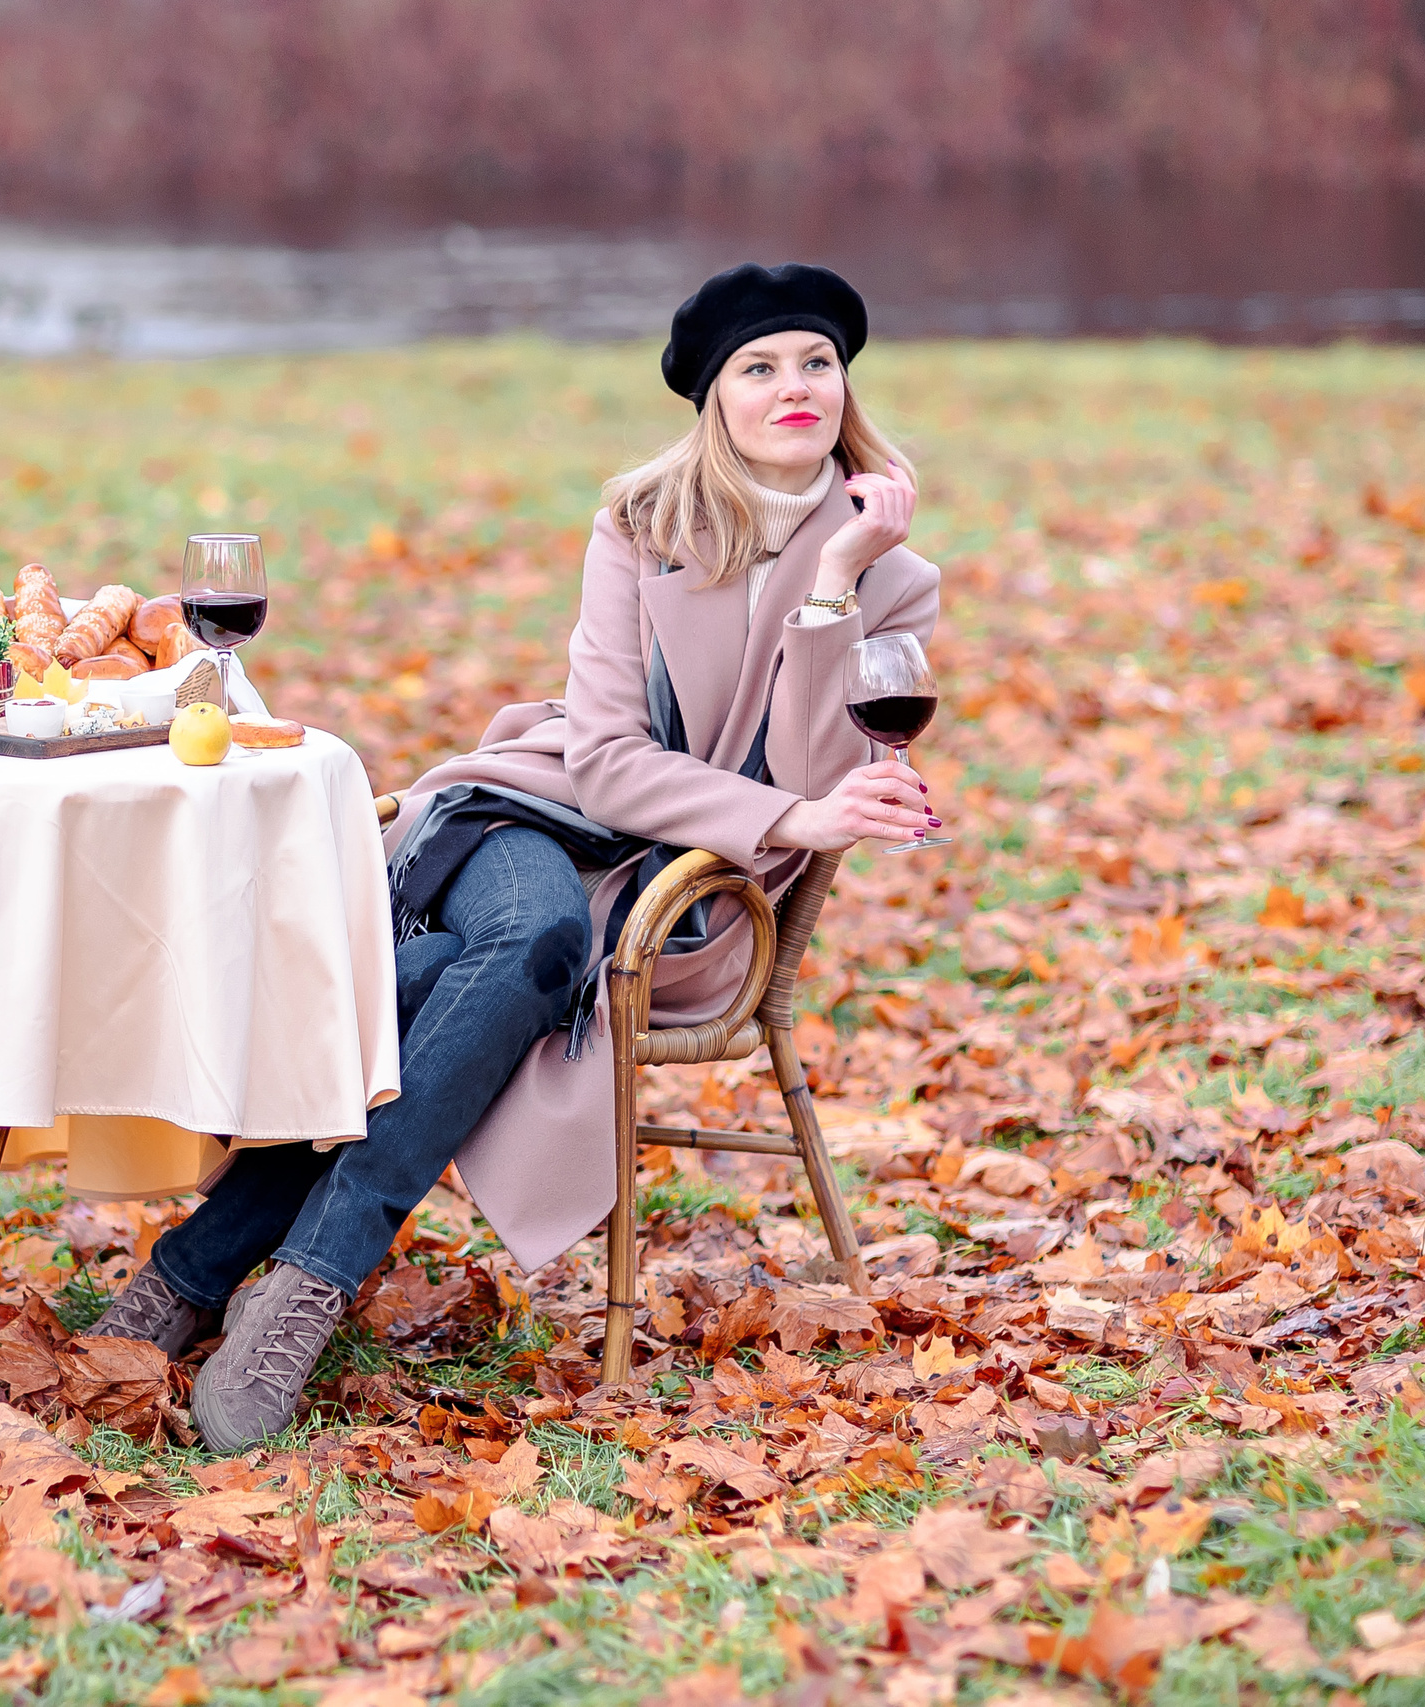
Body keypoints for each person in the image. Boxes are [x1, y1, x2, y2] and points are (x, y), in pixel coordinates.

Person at [91, 262, 944, 1451]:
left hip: (687, 901)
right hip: (533, 819)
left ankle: (199, 1274)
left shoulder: (891, 578)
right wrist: (791, 821)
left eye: (816, 363)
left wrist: (835, 586)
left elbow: (807, 773)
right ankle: (307, 1290)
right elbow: (598, 759)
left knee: (460, 980)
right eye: (758, 367)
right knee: (533, 932)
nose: (792, 386)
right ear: (714, 400)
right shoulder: (642, 527)